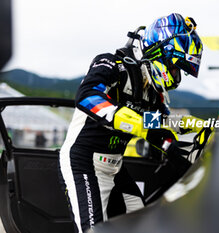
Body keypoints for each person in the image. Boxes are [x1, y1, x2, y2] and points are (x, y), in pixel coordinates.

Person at [58, 13, 203, 233]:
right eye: (176, 68)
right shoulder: (112, 63)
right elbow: (87, 96)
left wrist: (198, 127)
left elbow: (158, 124)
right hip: (83, 163)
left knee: (142, 225)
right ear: (161, 51)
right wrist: (142, 126)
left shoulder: (153, 92)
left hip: (115, 167)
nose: (177, 76)